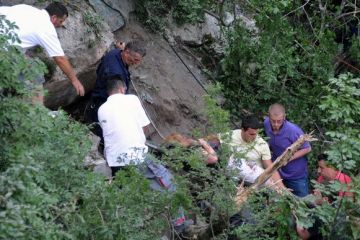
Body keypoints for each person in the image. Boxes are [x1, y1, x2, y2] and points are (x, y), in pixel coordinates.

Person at [0, 3, 85, 102]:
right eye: (61, 21)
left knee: (24, 58)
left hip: (4, 42)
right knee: (35, 74)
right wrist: (74, 80)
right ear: (53, 18)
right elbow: (60, 58)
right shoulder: (46, 27)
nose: (61, 24)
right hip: (4, 52)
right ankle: (37, 112)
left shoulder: (26, 8)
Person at [85, 41, 146, 138]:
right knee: (100, 134)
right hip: (101, 105)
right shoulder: (115, 73)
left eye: (139, 60)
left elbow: (122, 48)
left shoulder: (116, 53)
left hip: (98, 98)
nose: (137, 63)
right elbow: (117, 100)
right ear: (126, 52)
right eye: (135, 59)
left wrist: (120, 47)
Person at [264, 103, 311, 197]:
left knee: (302, 203)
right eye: (273, 121)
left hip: (296, 175)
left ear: (284, 117)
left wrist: (288, 158)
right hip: (277, 171)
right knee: (279, 200)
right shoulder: (266, 124)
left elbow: (307, 148)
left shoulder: (293, 130)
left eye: (279, 121)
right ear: (269, 117)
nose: (276, 124)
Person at [225, 115, 285, 189]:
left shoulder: (262, 144)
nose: (254, 137)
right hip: (234, 177)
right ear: (243, 130)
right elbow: (212, 140)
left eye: (256, 133)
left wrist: (282, 187)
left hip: (255, 180)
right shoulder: (231, 135)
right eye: (251, 134)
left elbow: (270, 168)